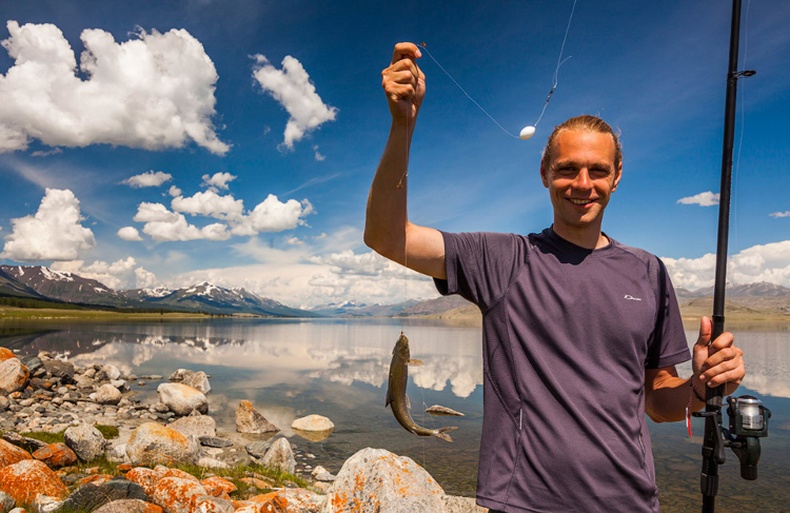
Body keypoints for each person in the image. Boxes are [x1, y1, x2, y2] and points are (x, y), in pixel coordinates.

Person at [364, 42, 746, 513]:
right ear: (544, 172)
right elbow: (386, 236)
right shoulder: (501, 259)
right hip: (522, 503)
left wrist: (703, 388)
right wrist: (403, 125)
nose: (582, 184)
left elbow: (659, 401)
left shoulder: (648, 271)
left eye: (597, 170)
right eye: (567, 169)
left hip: (630, 501)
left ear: (617, 176)